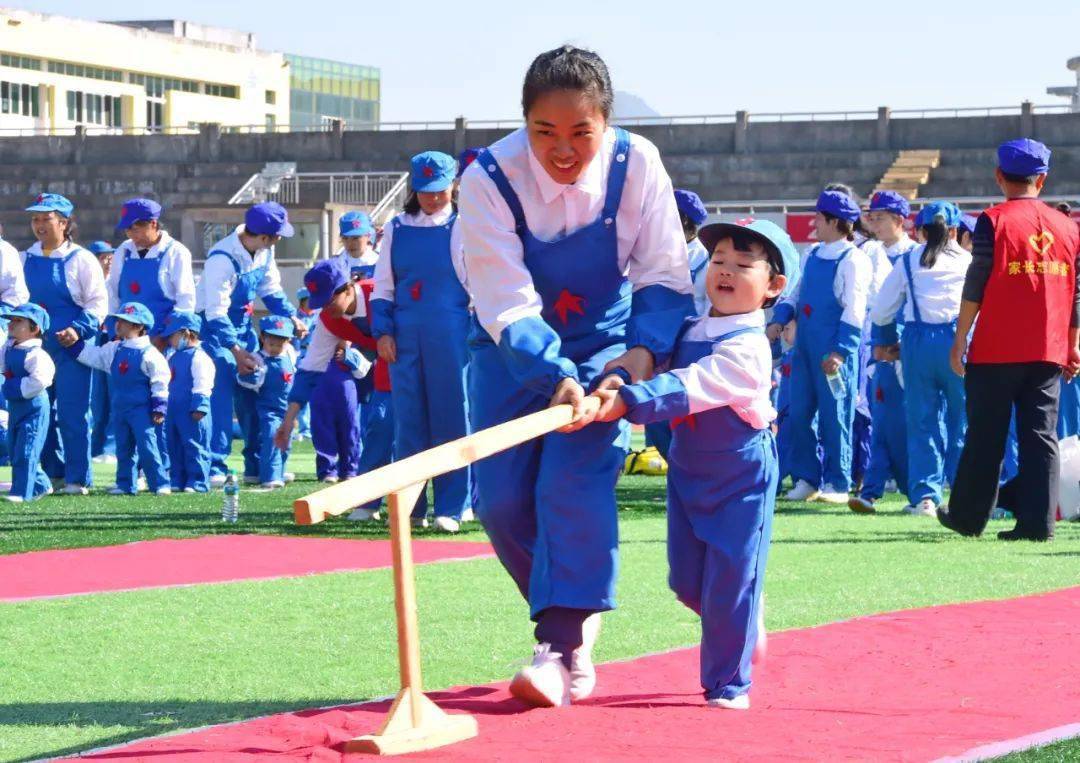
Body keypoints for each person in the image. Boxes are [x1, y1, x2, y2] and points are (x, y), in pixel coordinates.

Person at [458, 45, 693, 707]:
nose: (563, 150)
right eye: (545, 132)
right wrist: (551, 370)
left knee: (571, 480)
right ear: (523, 122)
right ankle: (574, 614)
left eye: (580, 133)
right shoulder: (487, 179)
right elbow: (503, 299)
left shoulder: (637, 163)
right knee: (500, 503)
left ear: (606, 124)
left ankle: (559, 646)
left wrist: (641, 355)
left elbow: (664, 272)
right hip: (511, 346)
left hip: (607, 347)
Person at [594, 219, 798, 709]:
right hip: (688, 470)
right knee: (687, 582)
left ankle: (729, 684)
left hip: (740, 477)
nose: (725, 272)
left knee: (729, 581)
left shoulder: (750, 345)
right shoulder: (690, 327)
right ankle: (745, 614)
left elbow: (695, 385)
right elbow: (652, 361)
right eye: (719, 261)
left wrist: (632, 399)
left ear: (773, 286)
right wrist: (617, 375)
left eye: (743, 265)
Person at [940, 139, 1080, 541]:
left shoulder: (993, 220)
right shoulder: (1069, 227)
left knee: (986, 434)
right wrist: (1073, 344)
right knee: (1041, 437)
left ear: (1000, 176)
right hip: (1047, 349)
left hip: (996, 349)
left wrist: (960, 336)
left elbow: (976, 282)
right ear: (1043, 178)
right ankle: (1038, 524)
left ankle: (968, 517)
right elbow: (1076, 293)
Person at [371, 151, 472, 533]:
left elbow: (474, 283)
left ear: (453, 187)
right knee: (408, 421)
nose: (432, 199)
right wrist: (383, 332)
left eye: (440, 191)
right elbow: (383, 285)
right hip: (404, 334)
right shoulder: (397, 227)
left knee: (452, 416)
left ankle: (452, 504)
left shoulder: (462, 226)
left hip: (450, 330)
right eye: (425, 191)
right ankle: (410, 506)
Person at [768, 190, 871, 503]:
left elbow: (855, 308)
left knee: (835, 416)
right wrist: (779, 320)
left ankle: (838, 483)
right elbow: (795, 295)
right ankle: (806, 478)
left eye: (818, 217)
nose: (814, 223)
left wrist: (841, 351)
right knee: (798, 414)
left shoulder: (853, 259)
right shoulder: (812, 254)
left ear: (833, 221)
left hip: (832, 351)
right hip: (804, 349)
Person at [196, 202, 307, 486]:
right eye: (277, 235)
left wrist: (291, 316)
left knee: (252, 398)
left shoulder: (264, 252)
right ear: (263, 235)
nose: (280, 240)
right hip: (214, 333)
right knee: (220, 397)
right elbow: (215, 311)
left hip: (243, 328)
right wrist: (236, 351)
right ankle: (214, 465)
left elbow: (270, 291)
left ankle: (256, 464)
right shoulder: (222, 259)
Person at [871, 201, 970, 516]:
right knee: (963, 421)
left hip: (917, 343)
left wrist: (886, 343)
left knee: (922, 422)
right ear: (955, 230)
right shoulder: (969, 261)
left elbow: (883, 309)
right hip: (959, 342)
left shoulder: (909, 259)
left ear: (921, 230)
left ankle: (925, 497)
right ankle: (965, 493)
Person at [21, 193, 107, 495]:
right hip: (35, 349)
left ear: (64, 222)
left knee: (73, 412)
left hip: (72, 347)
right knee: (37, 410)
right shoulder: (24, 259)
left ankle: (77, 478)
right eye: (35, 219)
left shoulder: (81, 259)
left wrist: (78, 329)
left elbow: (98, 303)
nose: (40, 225)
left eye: (47, 219)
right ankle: (50, 474)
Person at [849, 191, 919, 513]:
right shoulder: (866, 253)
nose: (873, 223)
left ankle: (912, 488)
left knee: (907, 420)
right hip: (875, 344)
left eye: (880, 217)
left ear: (899, 220)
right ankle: (873, 489)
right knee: (881, 416)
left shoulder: (917, 255)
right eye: (871, 217)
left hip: (908, 346)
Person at [64, 302, 170, 495]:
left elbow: (160, 381)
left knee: (147, 447)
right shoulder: (114, 348)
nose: (118, 324)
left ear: (139, 327)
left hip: (142, 410)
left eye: (125, 321)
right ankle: (125, 484)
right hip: (120, 408)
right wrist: (73, 346)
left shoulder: (150, 353)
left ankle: (160, 483)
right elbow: (93, 356)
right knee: (123, 448)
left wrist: (159, 407)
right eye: (118, 320)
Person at [107, 199, 195, 347]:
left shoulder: (176, 252)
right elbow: (113, 294)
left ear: (153, 224)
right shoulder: (123, 251)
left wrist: (165, 337)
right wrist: (113, 332)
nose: (131, 235)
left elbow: (186, 301)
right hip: (125, 339)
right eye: (127, 230)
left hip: (161, 339)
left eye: (135, 229)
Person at [0, 303, 55, 503]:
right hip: (16, 406)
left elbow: (40, 380)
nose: (11, 325)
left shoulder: (37, 355)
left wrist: (14, 387)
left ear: (35, 329)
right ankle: (41, 484)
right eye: (11, 320)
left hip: (33, 408)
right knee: (16, 449)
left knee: (27, 449)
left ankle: (22, 493)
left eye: (18, 321)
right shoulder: (8, 347)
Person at [237, 315, 297, 489]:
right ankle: (269, 476)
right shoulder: (257, 358)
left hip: (288, 407)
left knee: (287, 439)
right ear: (263, 338)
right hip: (268, 408)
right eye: (272, 344)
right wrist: (254, 373)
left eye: (280, 344)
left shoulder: (290, 354)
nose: (276, 349)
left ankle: (280, 470)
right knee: (271, 438)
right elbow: (245, 380)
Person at [161, 311, 214, 493]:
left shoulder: (199, 357)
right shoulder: (172, 356)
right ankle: (177, 478)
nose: (170, 340)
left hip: (191, 410)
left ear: (186, 334)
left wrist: (200, 405)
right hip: (173, 409)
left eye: (173, 336)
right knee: (174, 445)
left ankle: (197, 481)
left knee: (194, 445)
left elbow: (203, 382)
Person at [87, 240, 116, 462]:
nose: (108, 262)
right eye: (103, 257)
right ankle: (96, 447)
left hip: (112, 339)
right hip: (95, 341)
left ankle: (110, 447)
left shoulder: (115, 281)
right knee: (97, 398)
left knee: (114, 395)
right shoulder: (88, 281)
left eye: (110, 257)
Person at [293, 286, 317, 440]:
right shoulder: (294, 318)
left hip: (316, 356)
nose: (310, 303)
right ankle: (304, 429)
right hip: (299, 356)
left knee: (317, 395)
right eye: (307, 300)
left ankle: (314, 428)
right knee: (301, 393)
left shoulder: (319, 316)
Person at [334, 211, 379, 281]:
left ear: (368, 236)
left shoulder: (380, 263)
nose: (350, 243)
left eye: (355, 238)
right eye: (345, 238)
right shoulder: (335, 266)